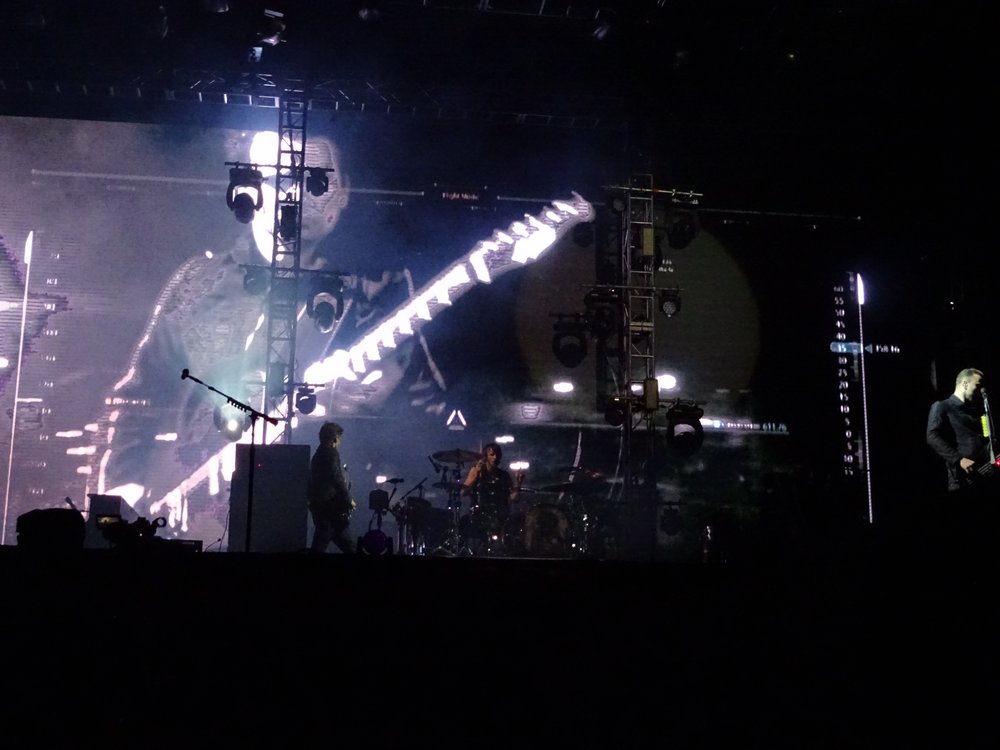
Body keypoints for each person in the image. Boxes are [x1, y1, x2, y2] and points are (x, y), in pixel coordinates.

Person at [461, 443, 522, 553]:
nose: (495, 457)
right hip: (479, 515)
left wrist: (518, 483)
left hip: (500, 516)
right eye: (492, 454)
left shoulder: (504, 475)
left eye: (497, 454)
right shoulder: (476, 471)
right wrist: (475, 477)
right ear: (486, 456)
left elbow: (514, 499)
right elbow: (463, 492)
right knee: (463, 523)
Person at [307, 421, 357, 553]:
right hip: (330, 509)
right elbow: (336, 478)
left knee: (346, 544)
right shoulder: (331, 453)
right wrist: (348, 499)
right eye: (340, 438)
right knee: (323, 543)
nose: (340, 442)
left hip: (321, 508)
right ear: (335, 438)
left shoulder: (317, 456)